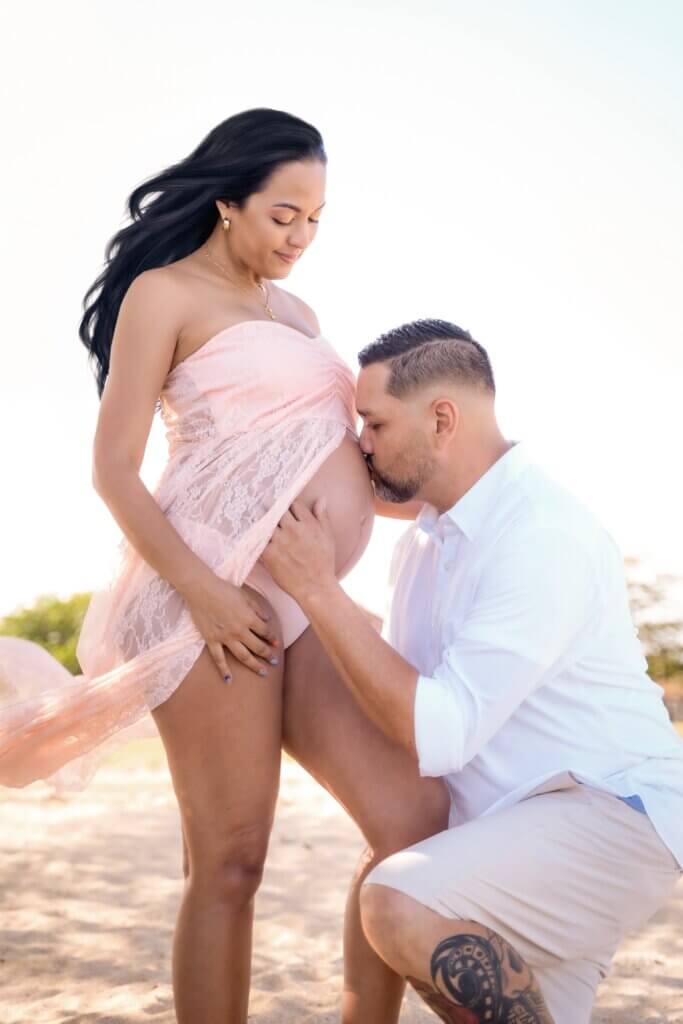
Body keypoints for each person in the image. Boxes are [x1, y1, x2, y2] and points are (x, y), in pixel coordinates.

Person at [0, 111, 448, 1024]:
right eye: (284, 214)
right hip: (206, 597)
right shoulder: (163, 295)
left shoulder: (298, 316)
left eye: (316, 220)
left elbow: (323, 447)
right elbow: (113, 470)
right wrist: (202, 593)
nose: (300, 237)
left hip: (305, 598)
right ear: (227, 201)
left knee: (410, 820)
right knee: (232, 857)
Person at [260, 317, 683, 1024]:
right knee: (392, 877)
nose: (360, 445)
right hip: (512, 829)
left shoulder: (540, 533)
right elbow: (404, 689)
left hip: (609, 813)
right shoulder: (425, 544)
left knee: (399, 899)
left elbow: (439, 733)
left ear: (442, 418)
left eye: (373, 423)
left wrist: (316, 590)